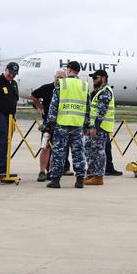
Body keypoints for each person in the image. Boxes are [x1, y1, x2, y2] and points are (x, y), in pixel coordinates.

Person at [44, 60, 87, 189]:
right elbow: (88, 107)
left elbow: (54, 105)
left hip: (62, 124)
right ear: (78, 71)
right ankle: (80, 180)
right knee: (78, 152)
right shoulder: (84, 85)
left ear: (68, 70)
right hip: (77, 125)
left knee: (59, 152)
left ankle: (55, 180)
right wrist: (87, 124)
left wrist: (49, 123)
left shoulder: (62, 84)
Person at [30, 70, 67, 181]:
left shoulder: (66, 90)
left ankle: (52, 171)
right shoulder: (47, 88)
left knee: (58, 149)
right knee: (45, 147)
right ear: (54, 77)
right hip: (48, 124)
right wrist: (41, 108)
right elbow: (33, 96)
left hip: (61, 124)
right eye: (57, 77)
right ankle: (42, 171)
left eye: (61, 77)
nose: (58, 79)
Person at [81, 69, 116, 186]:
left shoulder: (105, 91)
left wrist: (95, 127)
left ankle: (99, 176)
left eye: (96, 78)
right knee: (89, 150)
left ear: (104, 78)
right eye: (93, 78)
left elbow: (101, 111)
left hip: (100, 128)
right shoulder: (97, 91)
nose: (93, 80)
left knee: (98, 151)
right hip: (93, 127)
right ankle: (91, 174)